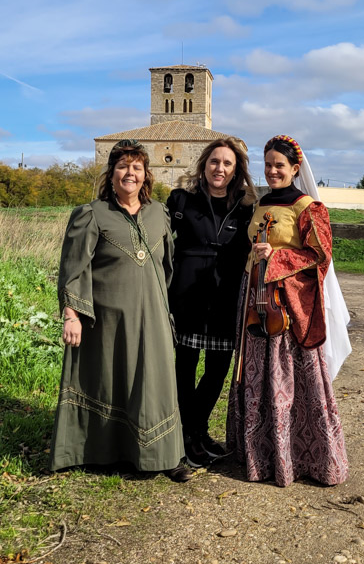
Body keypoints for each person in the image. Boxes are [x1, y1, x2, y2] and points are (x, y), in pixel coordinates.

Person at [49, 139, 191, 482]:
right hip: (108, 318)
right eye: (123, 166)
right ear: (111, 174)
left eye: (137, 167)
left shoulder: (159, 213)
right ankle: (110, 453)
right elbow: (73, 268)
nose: (130, 173)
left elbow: (167, 266)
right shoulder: (92, 214)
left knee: (156, 383)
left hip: (153, 316)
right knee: (113, 380)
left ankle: (167, 455)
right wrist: (72, 314)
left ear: (146, 176)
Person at [227, 135, 351, 487]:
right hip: (253, 298)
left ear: (295, 169)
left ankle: (301, 457)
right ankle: (259, 454)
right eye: (268, 164)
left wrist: (277, 257)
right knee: (255, 375)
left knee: (290, 377)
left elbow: (320, 256)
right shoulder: (260, 205)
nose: (272, 170)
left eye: (279, 165)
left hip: (287, 303)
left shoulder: (308, 207)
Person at [167, 137, 256, 467]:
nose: (220, 168)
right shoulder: (180, 199)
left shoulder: (247, 209)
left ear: (236, 171)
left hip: (225, 296)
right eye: (214, 161)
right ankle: (183, 435)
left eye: (227, 163)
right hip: (187, 295)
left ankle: (198, 429)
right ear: (204, 165)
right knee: (185, 366)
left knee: (218, 369)